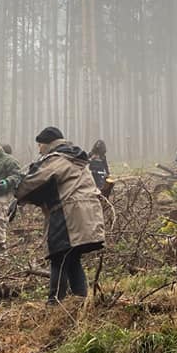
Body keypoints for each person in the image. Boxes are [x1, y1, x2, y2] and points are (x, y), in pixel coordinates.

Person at [15, 127, 105, 303]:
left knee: (58, 257)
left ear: (48, 143)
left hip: (68, 213)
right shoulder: (74, 157)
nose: (39, 149)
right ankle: (80, 302)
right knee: (71, 259)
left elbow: (36, 180)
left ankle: (55, 304)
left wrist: (16, 185)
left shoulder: (58, 159)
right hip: (85, 213)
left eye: (40, 144)